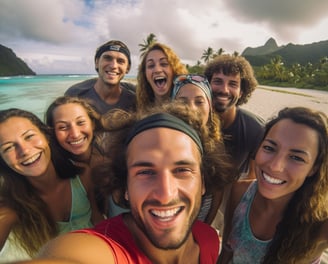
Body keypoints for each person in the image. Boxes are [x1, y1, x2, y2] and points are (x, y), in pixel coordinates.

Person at [22, 102, 235, 263]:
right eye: (145, 172)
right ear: (124, 187)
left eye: (182, 170)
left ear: (203, 182)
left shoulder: (208, 239)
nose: (166, 194)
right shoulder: (100, 249)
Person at [219, 107, 328, 264]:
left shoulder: (320, 222)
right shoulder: (240, 192)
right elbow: (227, 250)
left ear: (314, 168)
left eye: (296, 158)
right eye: (269, 148)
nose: (275, 166)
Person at [0, 109, 103, 262]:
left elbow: (96, 217)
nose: (25, 151)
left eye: (29, 137)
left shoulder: (82, 175)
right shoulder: (11, 205)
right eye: (8, 147)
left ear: (46, 136)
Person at [171, 74, 236, 228]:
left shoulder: (216, 146)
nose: (191, 108)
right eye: (182, 102)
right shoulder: (163, 141)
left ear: (210, 107)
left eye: (199, 102)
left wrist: (204, 228)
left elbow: (217, 193)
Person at [45, 96, 110, 215]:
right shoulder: (51, 170)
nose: (75, 134)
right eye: (63, 127)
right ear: (52, 132)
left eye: (80, 122)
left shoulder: (111, 156)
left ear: (93, 124)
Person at [204, 54, 265, 179]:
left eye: (233, 84)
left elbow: (252, 178)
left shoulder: (255, 129)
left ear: (241, 92)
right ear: (207, 85)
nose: (224, 90)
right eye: (218, 81)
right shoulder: (193, 121)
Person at [65, 40, 136, 114]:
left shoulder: (135, 101)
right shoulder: (75, 96)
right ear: (97, 62)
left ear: (127, 68)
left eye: (120, 61)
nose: (113, 66)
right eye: (108, 58)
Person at [136, 42, 188, 112]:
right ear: (145, 75)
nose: (157, 70)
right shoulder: (138, 110)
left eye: (164, 64)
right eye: (151, 65)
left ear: (174, 70)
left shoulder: (188, 107)